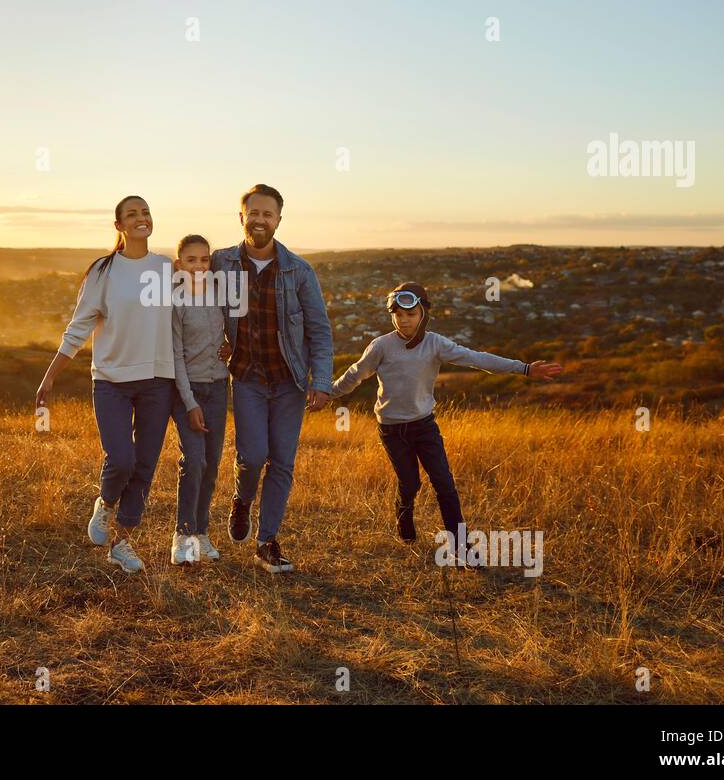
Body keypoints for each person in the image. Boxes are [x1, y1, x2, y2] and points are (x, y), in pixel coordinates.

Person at [328, 282, 562, 562]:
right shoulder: (381, 346)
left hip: (424, 426)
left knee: (445, 485)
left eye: (411, 314)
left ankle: (462, 549)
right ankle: (404, 521)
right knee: (410, 484)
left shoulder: (435, 344)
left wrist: (523, 368)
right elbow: (355, 375)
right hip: (392, 430)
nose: (404, 320)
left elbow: (476, 359)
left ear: (423, 314)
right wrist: (326, 393)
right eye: (398, 315)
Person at [35, 196, 174, 573]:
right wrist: (50, 376)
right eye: (132, 214)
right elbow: (78, 329)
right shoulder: (103, 272)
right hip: (111, 381)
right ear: (119, 226)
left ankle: (122, 543)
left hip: (158, 381)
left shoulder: (166, 268)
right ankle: (106, 503)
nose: (141, 218)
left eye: (146, 211)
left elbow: (190, 315)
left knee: (145, 465)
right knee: (122, 459)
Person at [211, 184, 334, 573]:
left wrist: (321, 381)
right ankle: (241, 499)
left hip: (289, 383)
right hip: (246, 377)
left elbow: (319, 329)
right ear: (241, 216)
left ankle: (267, 541)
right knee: (251, 457)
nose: (260, 220)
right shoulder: (221, 263)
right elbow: (194, 305)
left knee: (281, 462)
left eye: (268, 214)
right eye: (254, 212)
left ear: (279, 220)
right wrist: (214, 343)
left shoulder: (299, 270)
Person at [168, 234, 230, 565]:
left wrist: (232, 347)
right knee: (194, 461)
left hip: (219, 387)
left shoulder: (220, 296)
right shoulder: (175, 302)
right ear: (180, 265)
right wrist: (190, 402)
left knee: (212, 464)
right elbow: (175, 355)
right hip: (187, 390)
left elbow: (233, 334)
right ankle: (184, 534)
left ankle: (202, 532)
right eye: (191, 260)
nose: (199, 266)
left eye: (204, 260)